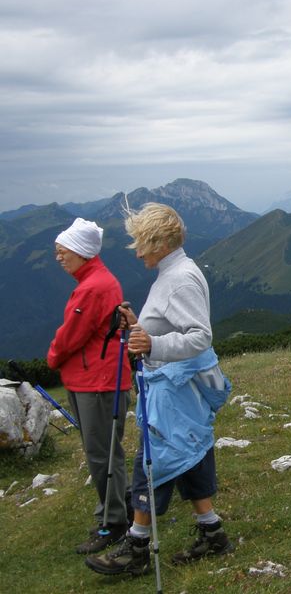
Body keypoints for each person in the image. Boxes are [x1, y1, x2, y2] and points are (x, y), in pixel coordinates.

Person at [85, 202, 233, 577]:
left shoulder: (178, 278)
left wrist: (152, 345)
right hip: (180, 387)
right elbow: (172, 323)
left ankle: (136, 546)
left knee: (152, 461)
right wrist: (140, 326)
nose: (136, 252)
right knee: (191, 451)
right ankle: (212, 532)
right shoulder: (176, 271)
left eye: (142, 244)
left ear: (162, 242)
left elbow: (200, 335)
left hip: (173, 389)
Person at [47, 217, 133, 554]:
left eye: (62, 251)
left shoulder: (93, 286)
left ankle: (114, 522)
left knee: (101, 454)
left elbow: (72, 334)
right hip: (93, 378)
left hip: (95, 380)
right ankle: (116, 506)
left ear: (81, 251)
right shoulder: (95, 280)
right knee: (104, 451)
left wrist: (52, 357)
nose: (58, 257)